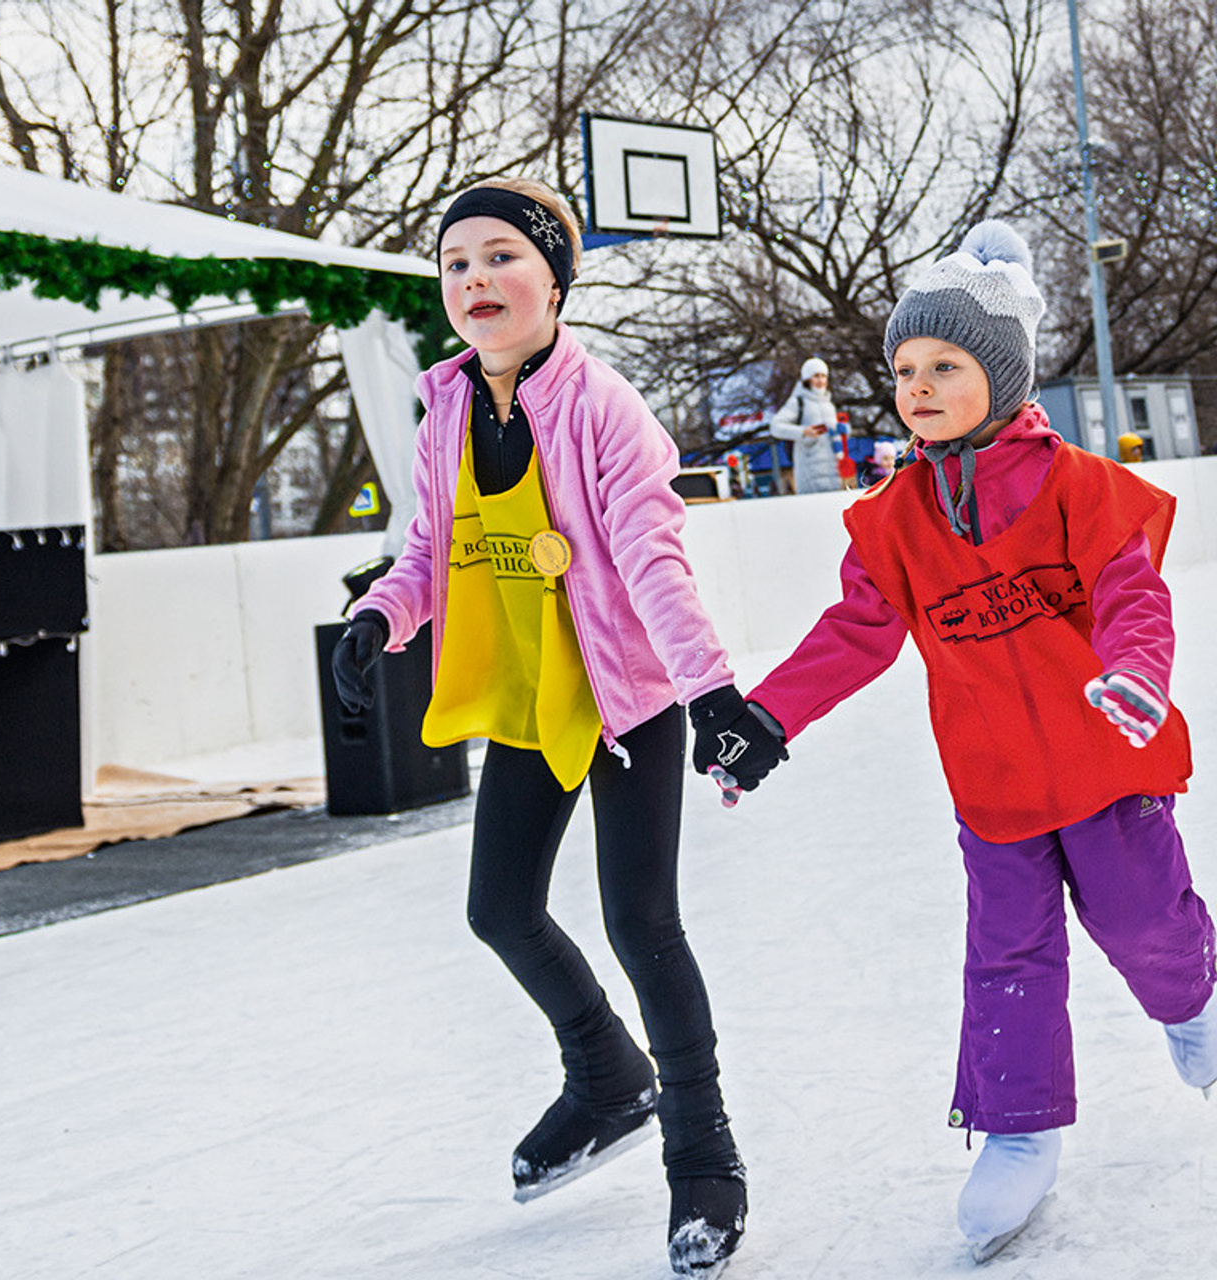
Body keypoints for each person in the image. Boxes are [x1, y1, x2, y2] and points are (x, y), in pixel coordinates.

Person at [692, 221, 1217, 1262]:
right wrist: (765, 715)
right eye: (901, 368)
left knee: (1142, 923)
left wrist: (1135, 678)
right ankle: (1016, 1130)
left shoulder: (1075, 485)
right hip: (994, 791)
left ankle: (1194, 1003)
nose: (917, 384)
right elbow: (854, 632)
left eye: (943, 364)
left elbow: (1130, 597)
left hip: (1106, 767)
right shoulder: (894, 520)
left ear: (1003, 374)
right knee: (1006, 963)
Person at [331, 177, 759, 1277]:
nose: (475, 279)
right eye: (455, 263)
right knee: (499, 908)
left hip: (627, 697)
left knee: (641, 924)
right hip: (528, 692)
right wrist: (379, 613)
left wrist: (708, 690)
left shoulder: (604, 406)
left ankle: (701, 1152)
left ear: (553, 277)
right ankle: (606, 1076)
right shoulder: (446, 409)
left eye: (500, 257)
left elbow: (653, 559)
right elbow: (431, 544)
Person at [770, 356, 842, 493]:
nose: (820, 380)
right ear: (807, 379)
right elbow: (775, 426)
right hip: (809, 469)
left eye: (823, 376)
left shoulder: (829, 404)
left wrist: (843, 430)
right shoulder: (798, 402)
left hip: (833, 470)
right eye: (816, 376)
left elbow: (834, 435)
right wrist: (803, 432)